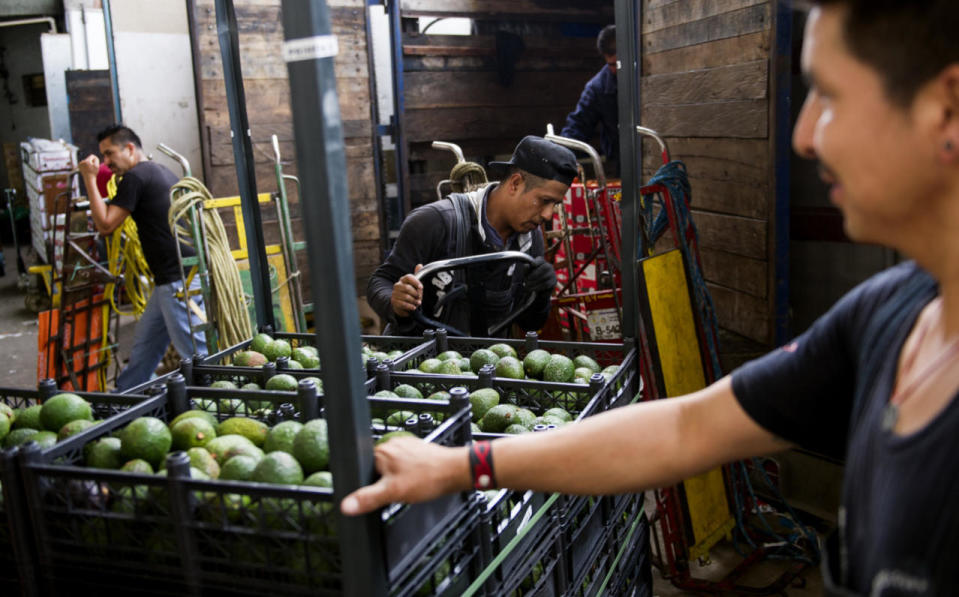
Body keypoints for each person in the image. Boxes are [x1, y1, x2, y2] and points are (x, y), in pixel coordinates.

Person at [345, 1, 959, 594]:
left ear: (947, 107)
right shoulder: (886, 317)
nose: (803, 134)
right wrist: (461, 467)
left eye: (831, 94)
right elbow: (688, 428)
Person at [367, 136, 577, 338]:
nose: (548, 215)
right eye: (544, 200)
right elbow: (380, 281)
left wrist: (541, 295)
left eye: (555, 204)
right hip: (421, 365)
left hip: (484, 368)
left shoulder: (530, 241)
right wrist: (395, 301)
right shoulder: (434, 222)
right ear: (515, 183)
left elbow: (530, 324)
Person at [78, 125, 207, 391]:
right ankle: (125, 399)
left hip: (177, 280)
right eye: (103, 157)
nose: (106, 163)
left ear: (129, 148)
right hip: (169, 280)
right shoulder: (158, 170)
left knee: (195, 355)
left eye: (109, 154)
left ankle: (212, 401)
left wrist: (89, 179)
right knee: (144, 349)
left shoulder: (135, 177)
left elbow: (105, 225)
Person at [560, 25, 619, 176]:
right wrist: (561, 153)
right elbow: (578, 124)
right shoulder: (597, 87)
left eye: (619, 63)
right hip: (621, 162)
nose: (615, 69)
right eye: (611, 64)